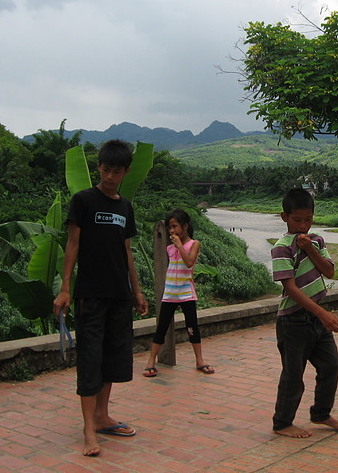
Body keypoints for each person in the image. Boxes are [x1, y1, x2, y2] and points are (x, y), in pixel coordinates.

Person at [53, 139, 148, 457]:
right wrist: (66, 288)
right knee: (91, 359)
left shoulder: (125, 207)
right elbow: (73, 245)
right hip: (90, 294)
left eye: (116, 171)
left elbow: (127, 251)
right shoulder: (83, 200)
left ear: (126, 172)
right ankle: (88, 428)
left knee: (113, 357)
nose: (110, 176)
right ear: (99, 168)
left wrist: (136, 290)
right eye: (105, 170)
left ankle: (103, 415)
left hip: (119, 295)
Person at [270, 188, 338, 438]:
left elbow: (329, 272)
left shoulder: (317, 241)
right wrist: (324, 314)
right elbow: (291, 289)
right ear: (285, 217)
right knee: (293, 375)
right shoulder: (281, 248)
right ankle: (283, 423)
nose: (303, 226)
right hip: (292, 322)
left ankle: (321, 414)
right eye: (297, 220)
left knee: (331, 365)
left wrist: (311, 249)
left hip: (315, 320)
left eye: (308, 220)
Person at [143, 208, 214, 378]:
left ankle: (200, 360)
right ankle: (151, 361)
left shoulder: (193, 244)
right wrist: (175, 246)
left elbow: (189, 262)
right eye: (169, 227)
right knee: (162, 327)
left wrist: (180, 246)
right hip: (170, 292)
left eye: (175, 226)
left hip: (186, 292)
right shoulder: (169, 248)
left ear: (185, 226)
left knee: (192, 327)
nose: (172, 231)